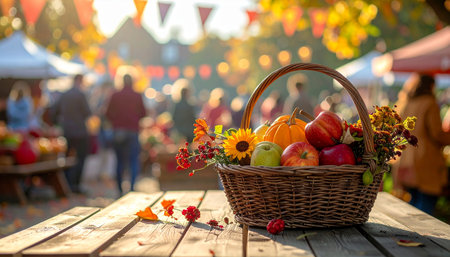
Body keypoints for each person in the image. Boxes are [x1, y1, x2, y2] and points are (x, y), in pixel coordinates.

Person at [393, 73, 450, 215]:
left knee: (413, 202)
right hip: (425, 160)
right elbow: (436, 133)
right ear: (431, 85)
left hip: (405, 158)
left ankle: (407, 236)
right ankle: (416, 237)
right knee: (425, 203)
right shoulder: (429, 102)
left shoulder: (406, 102)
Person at [106, 74, 146, 195]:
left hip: (118, 131)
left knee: (120, 161)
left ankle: (119, 189)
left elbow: (107, 113)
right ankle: (132, 187)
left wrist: (116, 121)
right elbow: (143, 113)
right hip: (133, 131)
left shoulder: (115, 95)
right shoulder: (137, 95)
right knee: (133, 160)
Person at [52, 74, 92, 194]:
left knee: (67, 158)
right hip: (80, 131)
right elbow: (88, 112)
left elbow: (53, 111)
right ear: (80, 81)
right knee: (80, 158)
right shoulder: (80, 95)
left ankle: (67, 183)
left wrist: (59, 122)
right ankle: (75, 184)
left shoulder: (64, 95)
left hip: (67, 131)